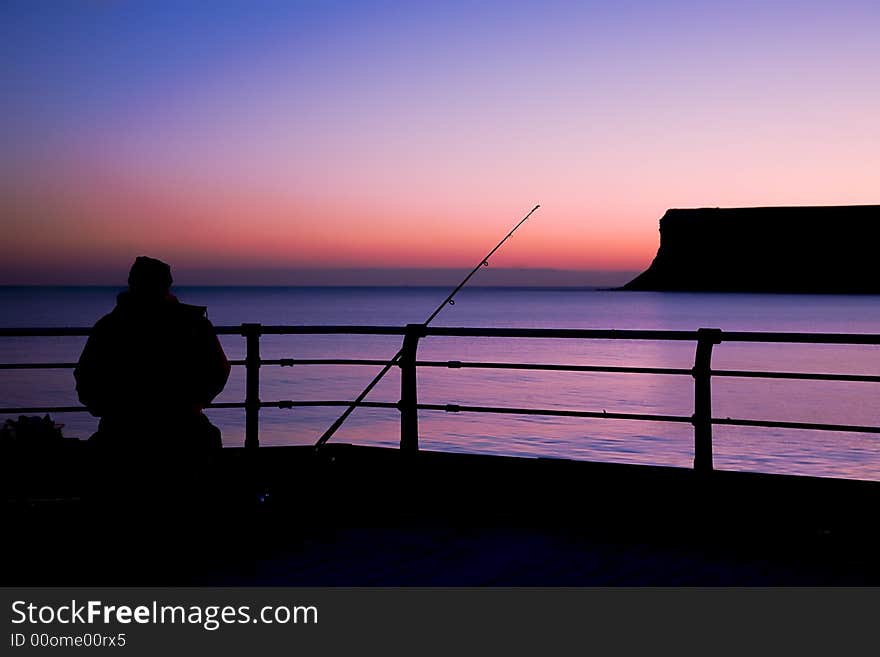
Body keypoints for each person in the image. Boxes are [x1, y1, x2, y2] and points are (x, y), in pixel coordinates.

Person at [75, 257, 230, 463]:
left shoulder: (109, 326)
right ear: (167, 285)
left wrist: (106, 408)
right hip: (183, 426)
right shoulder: (194, 324)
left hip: (121, 430)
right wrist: (194, 403)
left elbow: (86, 376)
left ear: (132, 283)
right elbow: (219, 369)